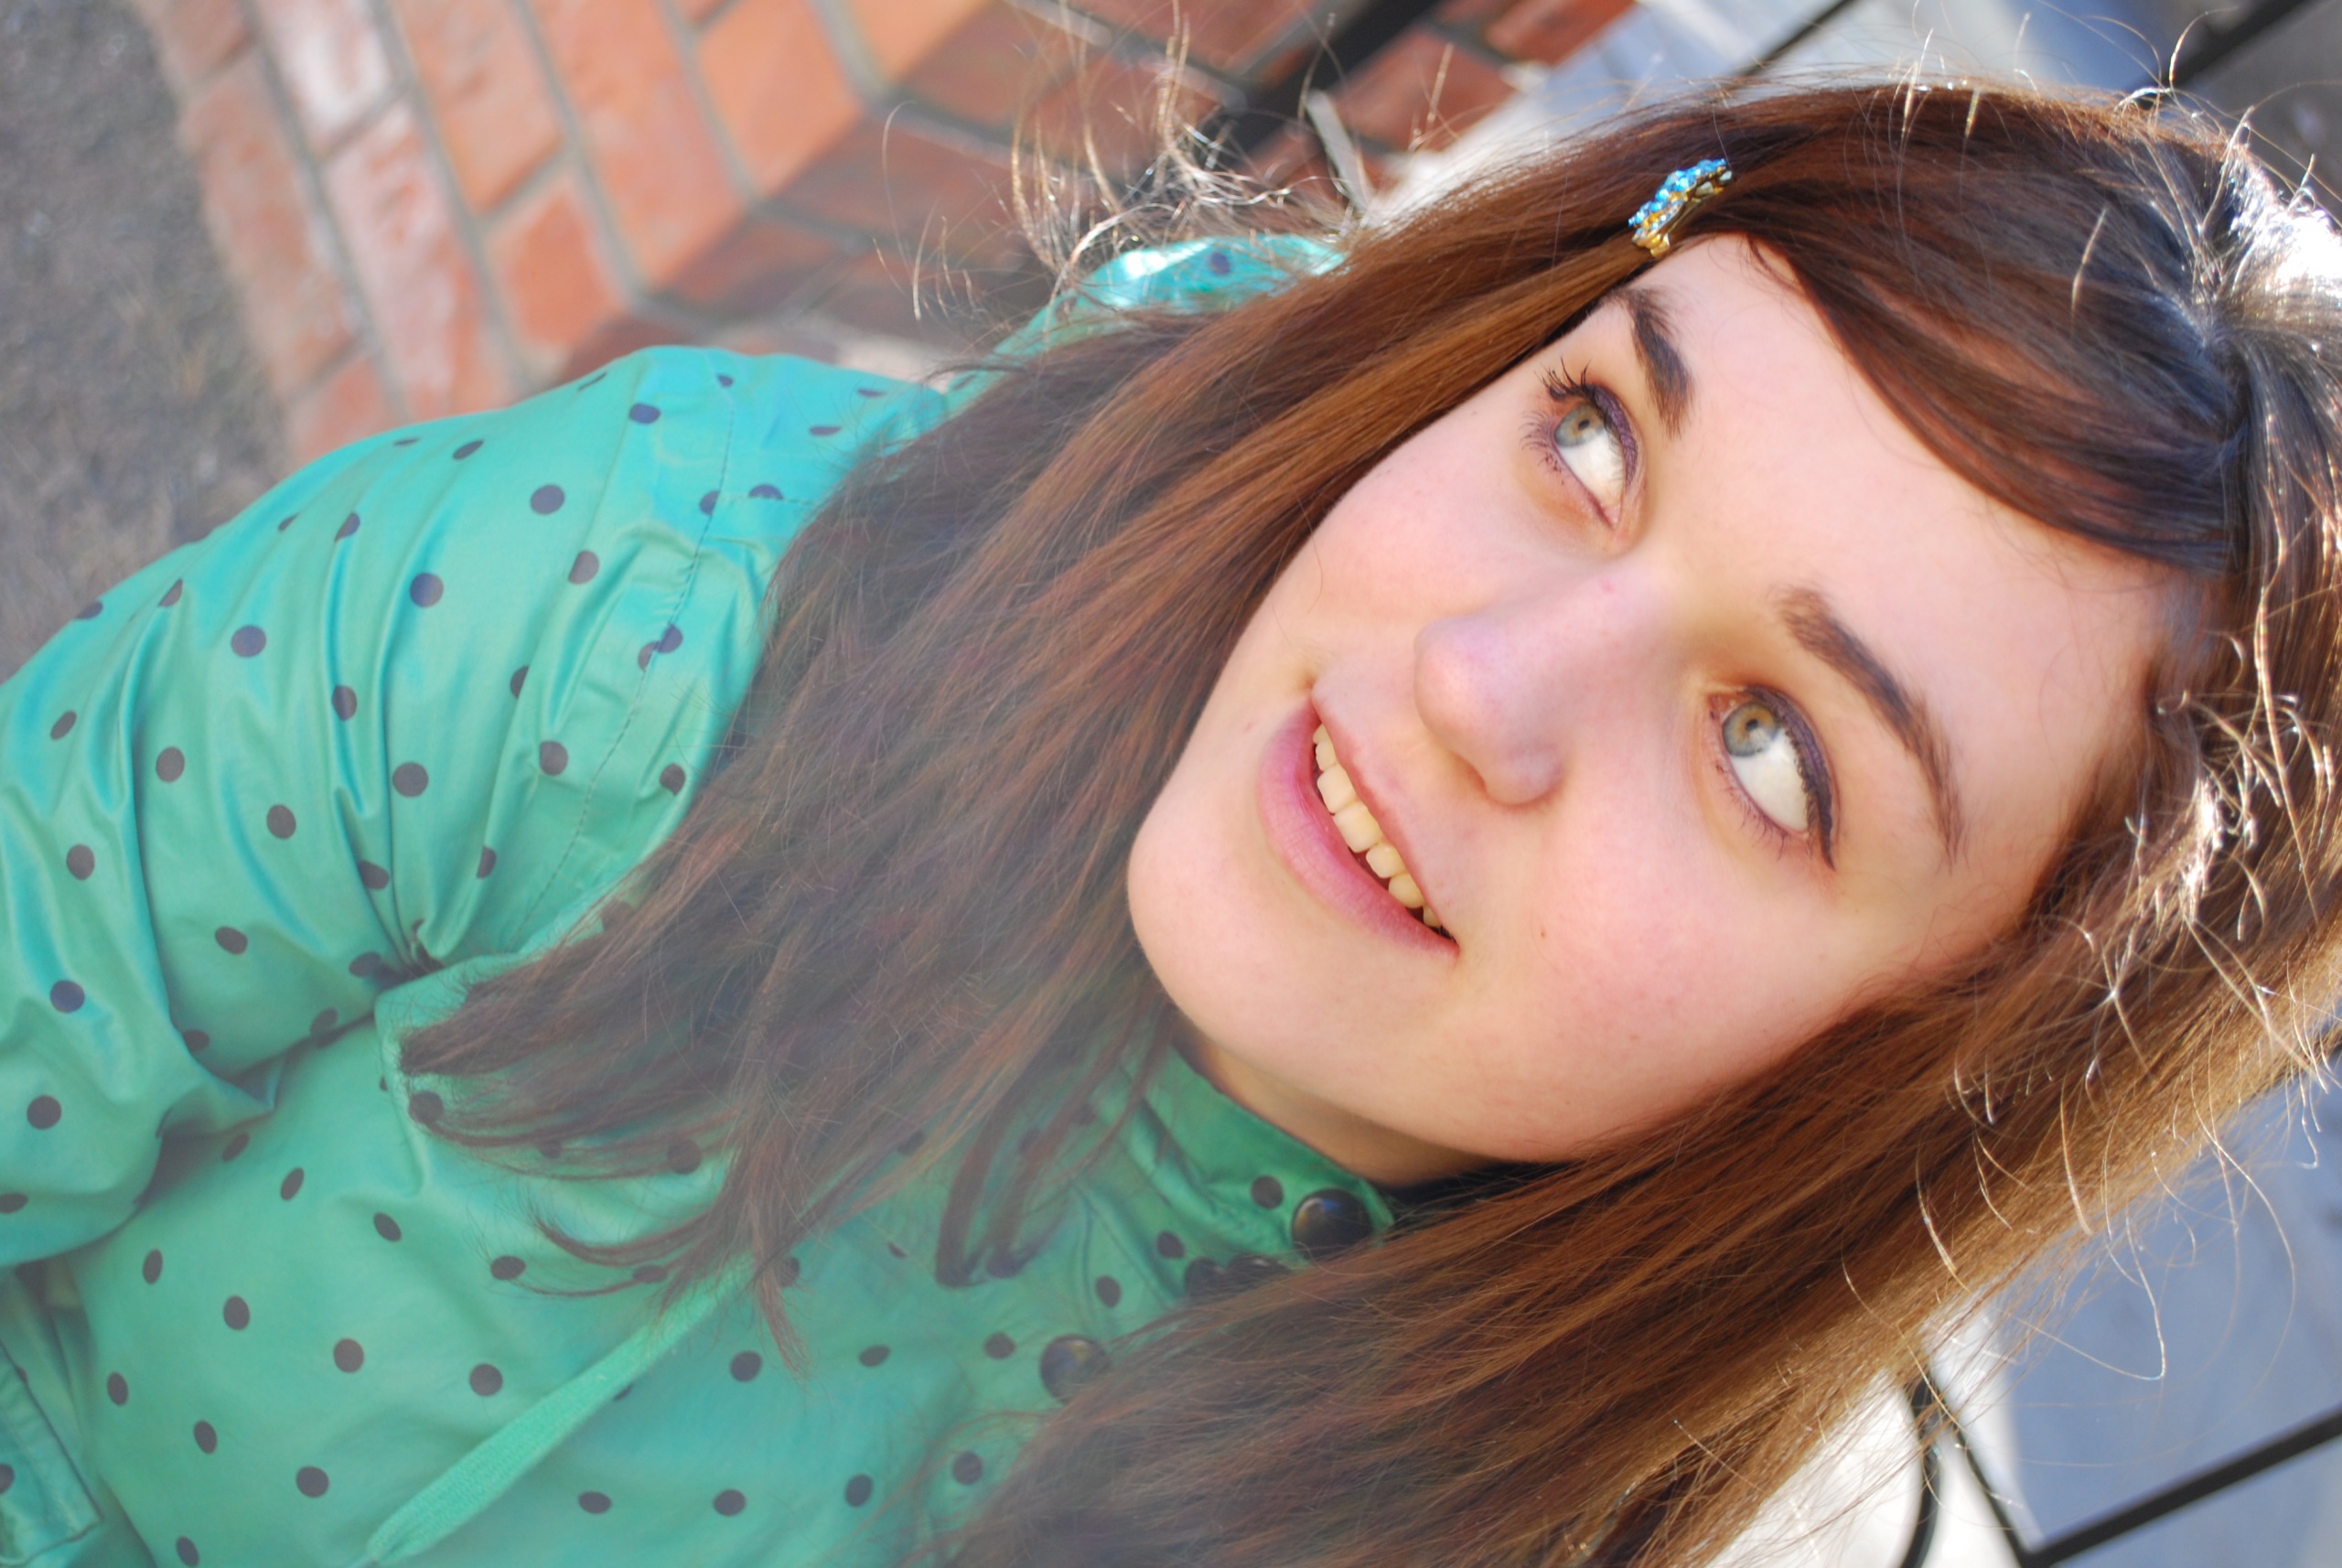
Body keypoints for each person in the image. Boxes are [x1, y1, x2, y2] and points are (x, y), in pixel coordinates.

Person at [3, 75, 2339, 1568]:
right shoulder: (644, 600)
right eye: (1592, 434)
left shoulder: (1528, 1502)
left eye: (1767, 753)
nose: (1477, 681)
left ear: (1910, 1061)